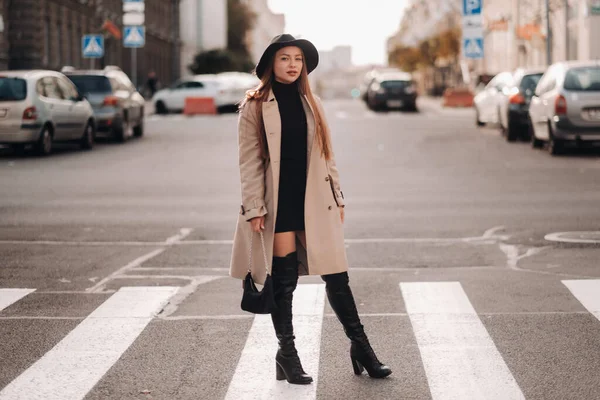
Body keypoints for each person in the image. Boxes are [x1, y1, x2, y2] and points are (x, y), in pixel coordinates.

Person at [229, 34, 392, 385]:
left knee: (337, 276)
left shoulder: (311, 101)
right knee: (283, 283)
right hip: (279, 202)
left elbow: (326, 154)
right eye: (285, 58)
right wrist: (255, 207)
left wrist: (338, 196)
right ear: (271, 63)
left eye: (298, 60)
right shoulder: (255, 106)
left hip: (316, 200)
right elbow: (249, 162)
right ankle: (287, 353)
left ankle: (361, 346)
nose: (292, 65)